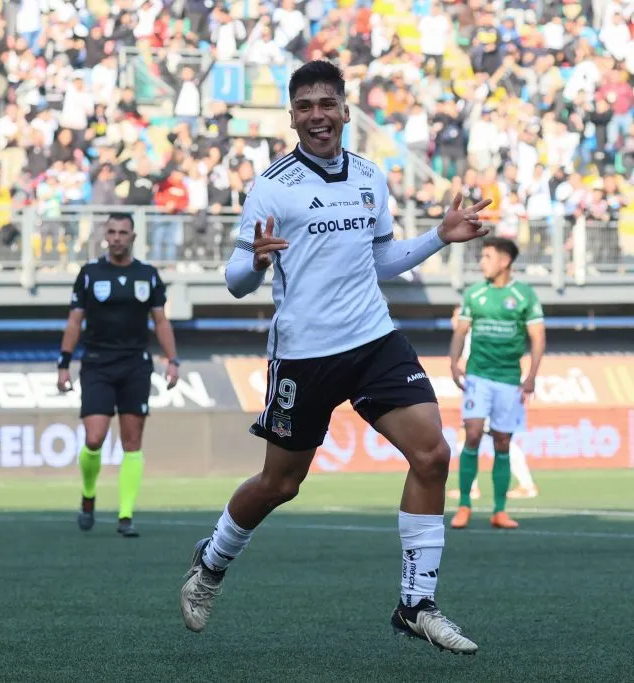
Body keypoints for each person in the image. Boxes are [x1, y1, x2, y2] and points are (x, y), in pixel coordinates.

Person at [178, 60, 491, 655]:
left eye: (327, 104)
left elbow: (379, 262)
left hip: (373, 340)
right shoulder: (272, 185)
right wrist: (259, 261)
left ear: (346, 110)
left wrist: (437, 237)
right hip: (304, 355)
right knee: (279, 483)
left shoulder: (371, 177)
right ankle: (212, 560)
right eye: (305, 107)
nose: (317, 116)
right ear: (292, 116)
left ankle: (415, 604)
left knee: (432, 452)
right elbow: (235, 280)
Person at [57, 213, 181, 538]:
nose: (116, 237)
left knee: (132, 442)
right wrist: (64, 363)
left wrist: (173, 360)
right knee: (94, 438)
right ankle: (88, 495)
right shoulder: (89, 274)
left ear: (133, 237)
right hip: (97, 363)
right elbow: (74, 321)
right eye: (111, 232)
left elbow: (162, 321)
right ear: (104, 236)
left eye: (122, 232)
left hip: (136, 364)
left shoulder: (148, 275)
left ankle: (125, 515)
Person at [447, 238, 545, 530]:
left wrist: (532, 375)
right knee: (473, 433)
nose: (482, 262)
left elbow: (538, 337)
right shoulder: (475, 294)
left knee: (503, 441)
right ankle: (464, 504)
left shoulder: (524, 295)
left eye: (487, 256)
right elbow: (461, 332)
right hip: (478, 376)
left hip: (509, 379)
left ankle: (499, 510)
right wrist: (454, 362)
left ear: (505, 261)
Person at [446, 304, 539, 505]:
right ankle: (523, 484)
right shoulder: (480, 335)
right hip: (494, 389)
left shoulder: (473, 337)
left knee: (487, 436)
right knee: (495, 436)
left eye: (456, 316)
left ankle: (474, 488)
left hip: (489, 391)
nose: (453, 320)